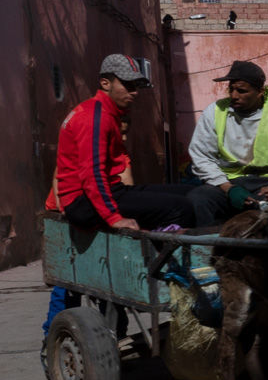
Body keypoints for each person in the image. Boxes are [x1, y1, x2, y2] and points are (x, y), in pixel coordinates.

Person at [42, 53, 200, 346]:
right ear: (105, 82)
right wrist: (115, 218)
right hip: (83, 204)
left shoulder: (105, 115)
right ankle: (159, 268)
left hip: (101, 194)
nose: (134, 92)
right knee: (180, 208)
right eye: (127, 85)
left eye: (136, 86)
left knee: (188, 193)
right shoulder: (95, 117)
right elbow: (92, 177)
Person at [186, 59, 268, 227]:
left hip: (266, 183)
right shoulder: (214, 112)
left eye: (241, 91)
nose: (234, 95)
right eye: (231, 89)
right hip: (225, 183)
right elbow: (201, 157)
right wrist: (229, 188)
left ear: (260, 92)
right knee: (198, 199)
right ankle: (207, 248)